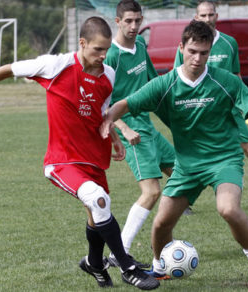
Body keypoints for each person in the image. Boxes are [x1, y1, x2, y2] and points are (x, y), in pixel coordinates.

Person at [0, 16, 159, 291]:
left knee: (96, 213)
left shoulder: (108, 75)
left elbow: (102, 111)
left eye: (107, 49)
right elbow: (10, 69)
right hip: (62, 161)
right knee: (98, 201)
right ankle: (127, 266)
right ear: (82, 43)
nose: (103, 55)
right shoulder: (56, 65)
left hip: (93, 158)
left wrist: (114, 138)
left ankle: (94, 263)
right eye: (97, 49)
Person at [100, 20, 248, 281]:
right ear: (181, 48)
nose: (197, 58)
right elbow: (125, 104)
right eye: (192, 51)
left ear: (209, 52)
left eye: (204, 53)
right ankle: (160, 267)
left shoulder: (224, 81)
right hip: (187, 165)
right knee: (161, 223)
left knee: (228, 209)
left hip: (224, 160)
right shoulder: (165, 85)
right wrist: (109, 120)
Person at [174, 0, 248, 210]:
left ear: (217, 16)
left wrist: (243, 103)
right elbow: (179, 78)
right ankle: (180, 199)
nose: (207, 19)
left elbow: (236, 76)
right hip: (199, 110)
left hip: (228, 110)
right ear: (196, 18)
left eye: (210, 14)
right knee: (191, 153)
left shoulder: (229, 43)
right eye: (202, 16)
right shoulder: (188, 46)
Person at [103, 0, 176, 268]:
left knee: (185, 172)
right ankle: (119, 252)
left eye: (138, 21)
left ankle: (167, 240)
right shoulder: (111, 56)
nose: (134, 27)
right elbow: (104, 103)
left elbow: (151, 81)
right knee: (151, 192)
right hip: (131, 129)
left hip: (148, 125)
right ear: (117, 21)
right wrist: (123, 128)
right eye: (128, 21)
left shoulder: (141, 45)